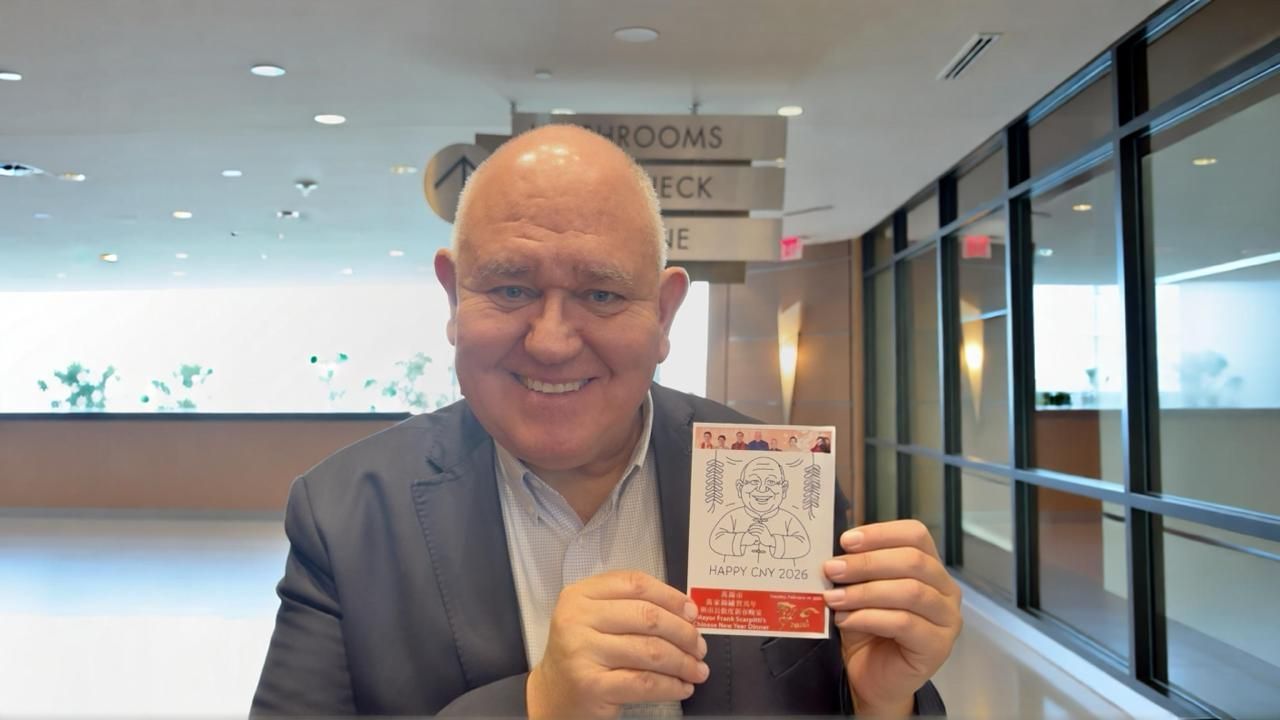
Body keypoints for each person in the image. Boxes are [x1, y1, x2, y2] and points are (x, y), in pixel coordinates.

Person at [252, 125, 959, 717]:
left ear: (665, 312)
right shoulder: (346, 516)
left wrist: (879, 704)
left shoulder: (778, 478)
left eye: (601, 294)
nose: (552, 342)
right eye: (511, 288)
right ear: (453, 296)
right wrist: (535, 704)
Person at [709, 457, 810, 561]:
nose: (762, 489)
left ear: (784, 489)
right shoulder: (732, 517)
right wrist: (743, 539)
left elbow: (803, 545)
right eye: (754, 481)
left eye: (771, 482)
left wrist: (772, 541)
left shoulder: (788, 519)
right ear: (740, 488)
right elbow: (716, 540)